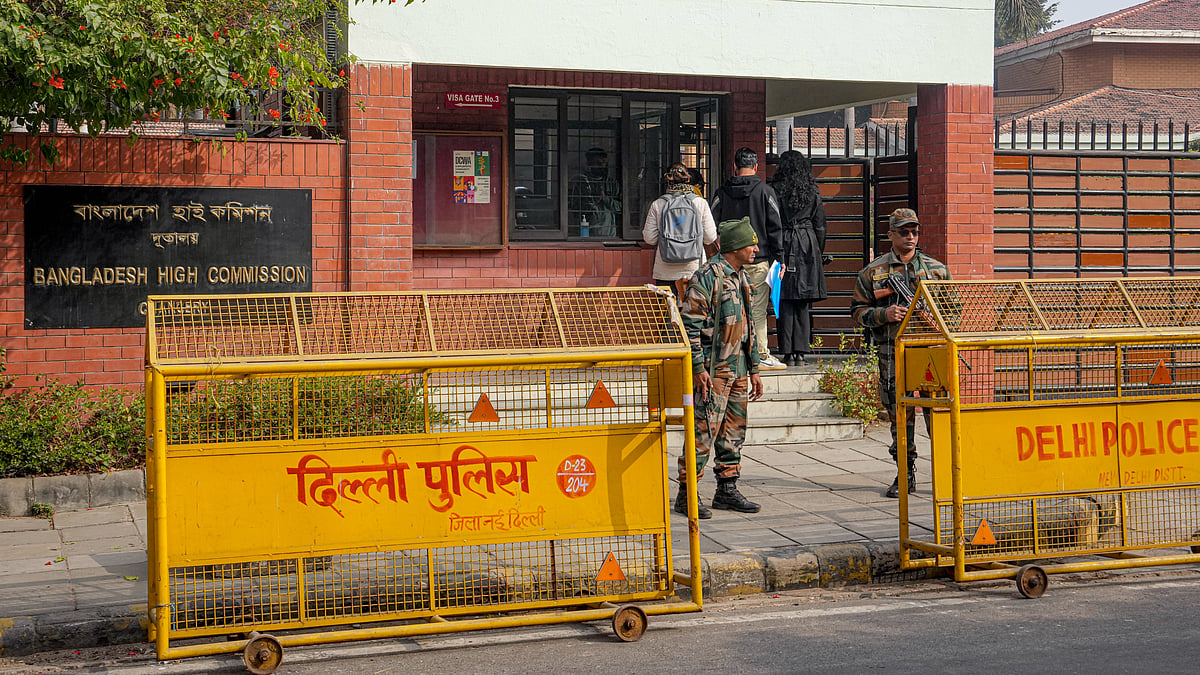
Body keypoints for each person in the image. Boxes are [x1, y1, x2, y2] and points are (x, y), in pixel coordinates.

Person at [850, 208, 952, 498]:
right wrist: (885, 314)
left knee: (937, 412)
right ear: (890, 235)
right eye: (904, 231)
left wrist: (935, 319)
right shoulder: (874, 272)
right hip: (893, 351)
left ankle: (946, 471)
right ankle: (905, 472)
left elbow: (954, 311)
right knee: (899, 414)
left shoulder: (936, 270)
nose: (910, 236)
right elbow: (857, 311)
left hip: (930, 350)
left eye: (914, 231)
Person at [675, 217, 766, 518]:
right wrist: (698, 368)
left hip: (738, 369)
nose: (755, 248)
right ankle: (686, 495)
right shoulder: (707, 276)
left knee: (733, 432)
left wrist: (753, 368)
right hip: (713, 373)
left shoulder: (741, 277)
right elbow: (689, 326)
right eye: (750, 243)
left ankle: (727, 490)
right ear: (735, 246)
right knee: (703, 432)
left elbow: (748, 326)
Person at [709, 147, 786, 370]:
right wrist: (779, 259)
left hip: (729, 261)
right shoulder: (765, 192)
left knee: (728, 308)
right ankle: (761, 353)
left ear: (734, 167)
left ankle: (730, 353)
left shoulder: (721, 192)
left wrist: (719, 247)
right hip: (758, 259)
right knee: (757, 310)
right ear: (756, 167)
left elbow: (711, 224)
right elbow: (775, 228)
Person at [771, 150, 828, 365]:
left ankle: (786, 350)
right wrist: (818, 252)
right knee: (803, 301)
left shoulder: (776, 189)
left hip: (784, 241)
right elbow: (820, 225)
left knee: (784, 299)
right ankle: (801, 352)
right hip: (807, 243)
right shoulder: (812, 190)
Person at [643, 163, 717, 300]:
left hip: (664, 272)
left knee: (666, 315)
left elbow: (649, 238)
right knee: (692, 316)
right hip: (693, 270)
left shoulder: (658, 204)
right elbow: (710, 237)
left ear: (668, 180)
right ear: (688, 180)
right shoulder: (700, 203)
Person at [569, 147, 621, 237]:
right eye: (598, 163)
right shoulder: (582, 183)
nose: (602, 166)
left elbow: (621, 208)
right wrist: (593, 202)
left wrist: (605, 199)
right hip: (588, 235)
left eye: (604, 163)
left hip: (610, 236)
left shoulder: (612, 184)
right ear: (589, 164)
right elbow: (575, 211)